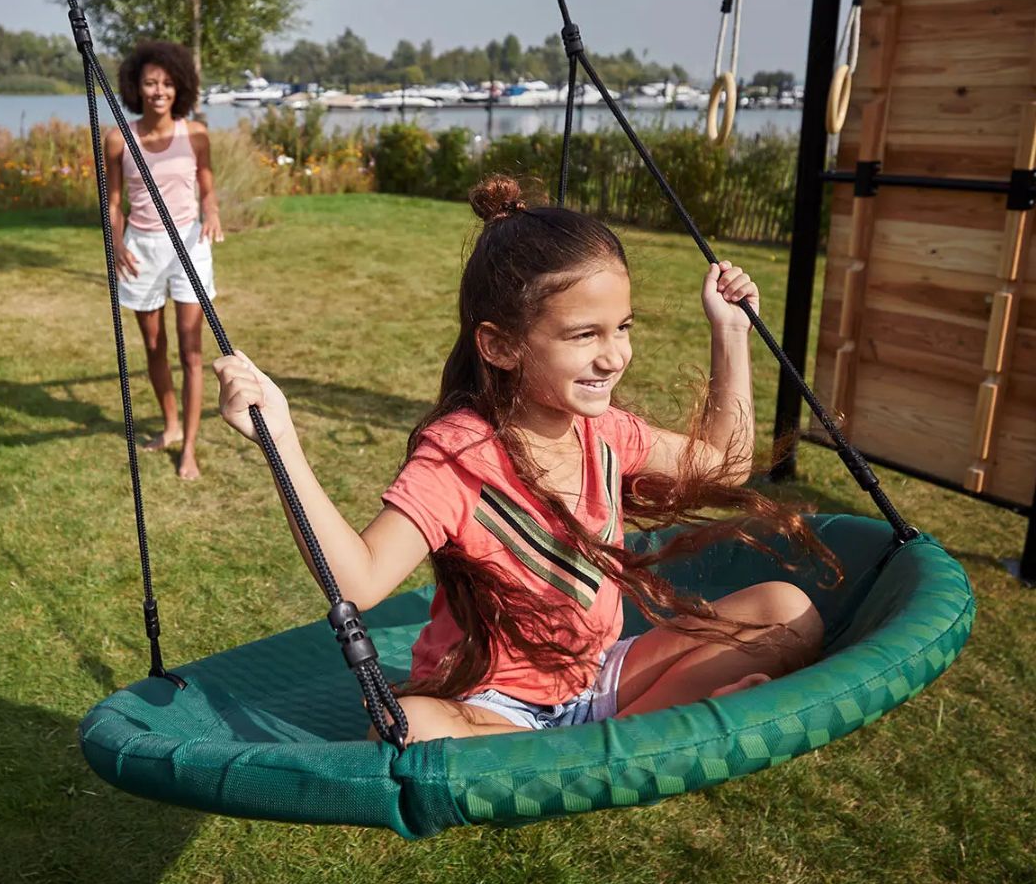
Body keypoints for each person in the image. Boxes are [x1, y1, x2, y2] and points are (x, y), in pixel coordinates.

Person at [213, 175, 826, 743]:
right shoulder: (460, 456)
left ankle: (607, 740)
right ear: (501, 346)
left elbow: (723, 464)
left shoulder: (606, 432)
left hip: (597, 677)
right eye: (584, 335)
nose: (614, 356)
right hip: (492, 706)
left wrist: (731, 333)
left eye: (623, 327)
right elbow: (360, 579)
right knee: (406, 727)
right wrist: (282, 442)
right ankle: (632, 738)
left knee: (787, 613)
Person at [105, 40, 223, 481]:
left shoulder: (195, 134)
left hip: (189, 245)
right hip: (142, 250)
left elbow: (207, 189)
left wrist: (212, 211)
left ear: (180, 88)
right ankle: (170, 425)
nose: (159, 91)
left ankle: (189, 446)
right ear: (137, 87)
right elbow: (113, 202)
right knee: (155, 345)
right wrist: (116, 243)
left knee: (191, 351)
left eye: (168, 83)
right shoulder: (118, 138)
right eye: (151, 83)